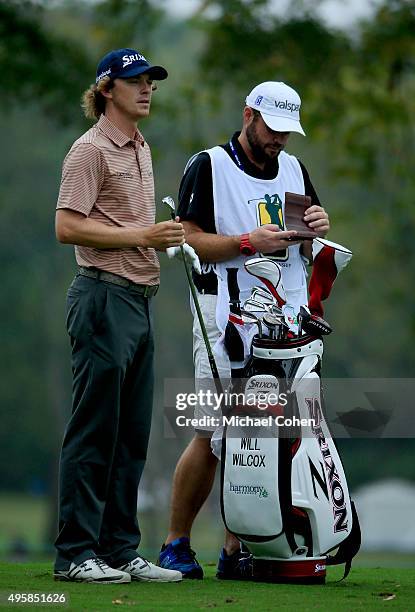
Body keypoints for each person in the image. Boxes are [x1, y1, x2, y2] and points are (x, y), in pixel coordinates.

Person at [157, 81, 330, 579]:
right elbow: (185, 239)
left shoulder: (294, 169)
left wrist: (319, 220)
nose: (279, 141)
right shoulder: (209, 164)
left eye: (286, 133)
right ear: (248, 115)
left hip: (283, 317)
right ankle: (176, 544)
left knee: (266, 433)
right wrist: (245, 243)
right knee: (212, 430)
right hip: (222, 312)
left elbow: (307, 229)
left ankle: (239, 549)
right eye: (272, 129)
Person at [54, 48, 198, 584]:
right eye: (136, 81)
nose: (147, 89)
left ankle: (118, 550)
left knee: (132, 434)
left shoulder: (141, 147)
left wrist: (161, 240)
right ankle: (75, 554)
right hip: (101, 298)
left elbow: (126, 226)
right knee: (95, 430)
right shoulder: (89, 150)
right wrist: (142, 236)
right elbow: (67, 226)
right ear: (107, 88)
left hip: (138, 300)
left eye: (151, 82)